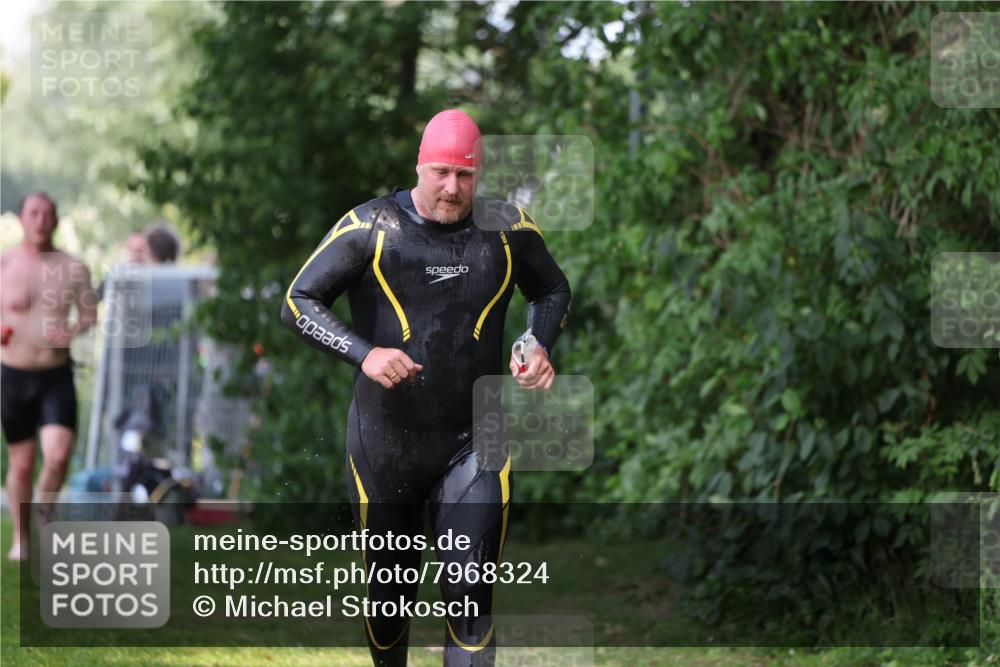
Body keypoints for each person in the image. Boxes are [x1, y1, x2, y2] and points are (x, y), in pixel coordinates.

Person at [281, 109, 571, 666]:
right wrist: (364, 354)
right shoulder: (370, 228)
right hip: (385, 445)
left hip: (475, 442)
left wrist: (536, 344)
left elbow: (552, 290)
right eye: (441, 172)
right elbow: (298, 302)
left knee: (471, 601)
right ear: (420, 166)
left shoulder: (508, 229)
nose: (452, 188)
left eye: (465, 176)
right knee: (389, 603)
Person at [1, 192, 97, 560]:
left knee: (57, 457)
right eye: (33, 213)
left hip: (55, 375)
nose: (40, 220)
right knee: (22, 464)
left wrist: (71, 330)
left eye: (47, 214)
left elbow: (89, 315)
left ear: (56, 221)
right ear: (22, 218)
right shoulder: (4, 263)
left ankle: (44, 516)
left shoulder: (73, 268)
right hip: (12, 376)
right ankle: (21, 540)